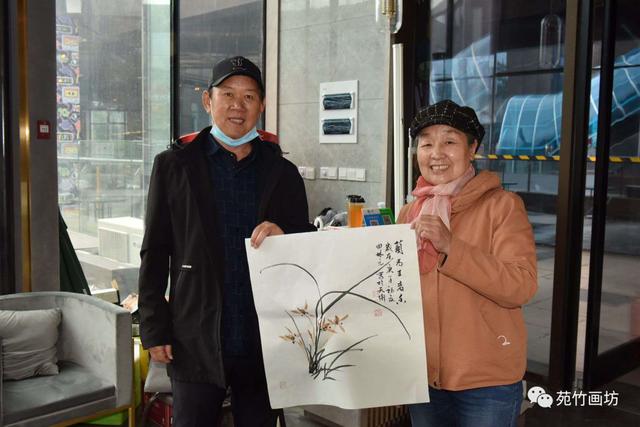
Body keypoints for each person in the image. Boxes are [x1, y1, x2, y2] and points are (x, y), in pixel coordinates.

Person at [138, 55, 315, 427]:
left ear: (261, 106)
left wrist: (286, 234)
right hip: (194, 334)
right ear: (208, 100)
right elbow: (154, 250)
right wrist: (154, 327)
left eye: (249, 96)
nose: (238, 105)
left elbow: (306, 246)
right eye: (228, 94)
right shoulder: (174, 165)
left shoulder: (282, 172)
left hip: (263, 337)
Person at [397, 100, 537, 427]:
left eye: (449, 141)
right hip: (423, 374)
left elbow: (521, 285)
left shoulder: (502, 207)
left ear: (472, 149)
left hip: (486, 381)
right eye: (426, 144)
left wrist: (451, 248)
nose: (436, 153)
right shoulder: (410, 212)